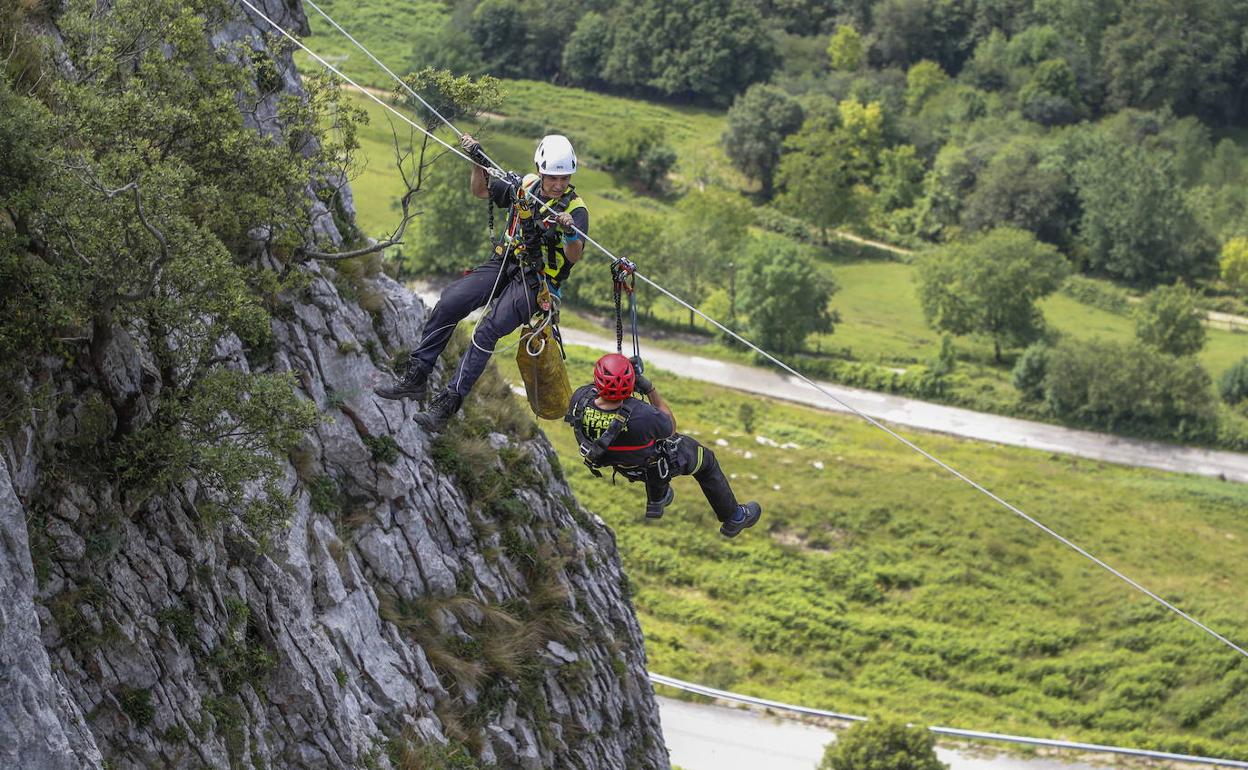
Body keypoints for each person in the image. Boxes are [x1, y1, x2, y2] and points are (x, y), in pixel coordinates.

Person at [375, 133, 589, 432]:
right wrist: (478, 163)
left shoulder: (575, 210)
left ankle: (448, 403)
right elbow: (480, 190)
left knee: (486, 330)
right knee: (450, 301)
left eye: (564, 178)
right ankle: (416, 376)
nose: (558, 184)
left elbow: (574, 255)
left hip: (537, 282)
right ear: (540, 171)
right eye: (553, 177)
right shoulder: (525, 186)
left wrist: (569, 230)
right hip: (506, 261)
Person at [566, 353, 762, 537]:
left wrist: (620, 379)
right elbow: (670, 427)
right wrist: (648, 388)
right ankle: (734, 517)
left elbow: (597, 390)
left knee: (650, 460)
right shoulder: (643, 415)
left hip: (621, 465)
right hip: (654, 464)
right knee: (706, 462)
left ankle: (658, 499)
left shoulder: (579, 400)